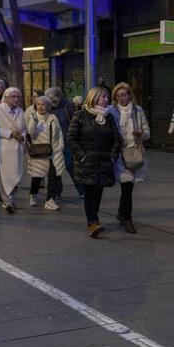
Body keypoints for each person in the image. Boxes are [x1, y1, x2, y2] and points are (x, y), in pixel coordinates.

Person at [67, 86, 120, 238]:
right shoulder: (81, 115)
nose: (106, 100)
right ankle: (93, 222)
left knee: (98, 192)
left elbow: (116, 139)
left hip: (104, 162)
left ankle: (93, 221)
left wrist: (112, 156)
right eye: (103, 97)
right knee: (90, 193)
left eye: (107, 97)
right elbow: (71, 139)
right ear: (94, 97)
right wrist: (82, 156)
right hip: (87, 163)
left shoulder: (108, 117)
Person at [111, 82, 148, 234]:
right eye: (118, 96)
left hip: (133, 153)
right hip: (119, 154)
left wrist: (141, 133)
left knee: (128, 187)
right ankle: (127, 218)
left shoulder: (137, 110)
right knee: (126, 185)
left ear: (129, 95)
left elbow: (147, 131)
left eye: (124, 95)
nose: (122, 98)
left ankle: (122, 213)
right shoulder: (111, 112)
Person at [0, 86, 27, 213]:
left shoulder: (20, 111)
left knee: (15, 174)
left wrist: (22, 136)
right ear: (6, 98)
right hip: (1, 148)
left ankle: (11, 197)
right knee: (3, 175)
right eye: (13, 96)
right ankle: (7, 200)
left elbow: (24, 128)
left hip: (16, 149)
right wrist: (9, 134)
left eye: (18, 96)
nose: (16, 99)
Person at [26, 95, 66, 211]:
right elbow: (30, 133)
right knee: (37, 176)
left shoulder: (53, 117)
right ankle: (33, 194)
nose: (40, 107)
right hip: (38, 151)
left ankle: (50, 200)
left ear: (48, 106)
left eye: (43, 104)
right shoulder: (33, 117)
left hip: (52, 151)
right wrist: (33, 121)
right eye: (38, 104)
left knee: (53, 176)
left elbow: (59, 134)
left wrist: (60, 147)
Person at [46, 87, 81, 200]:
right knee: (55, 168)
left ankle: (81, 190)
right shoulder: (47, 108)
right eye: (49, 99)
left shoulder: (67, 105)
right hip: (53, 143)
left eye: (53, 99)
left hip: (67, 141)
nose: (52, 101)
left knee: (71, 166)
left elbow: (75, 120)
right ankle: (57, 191)